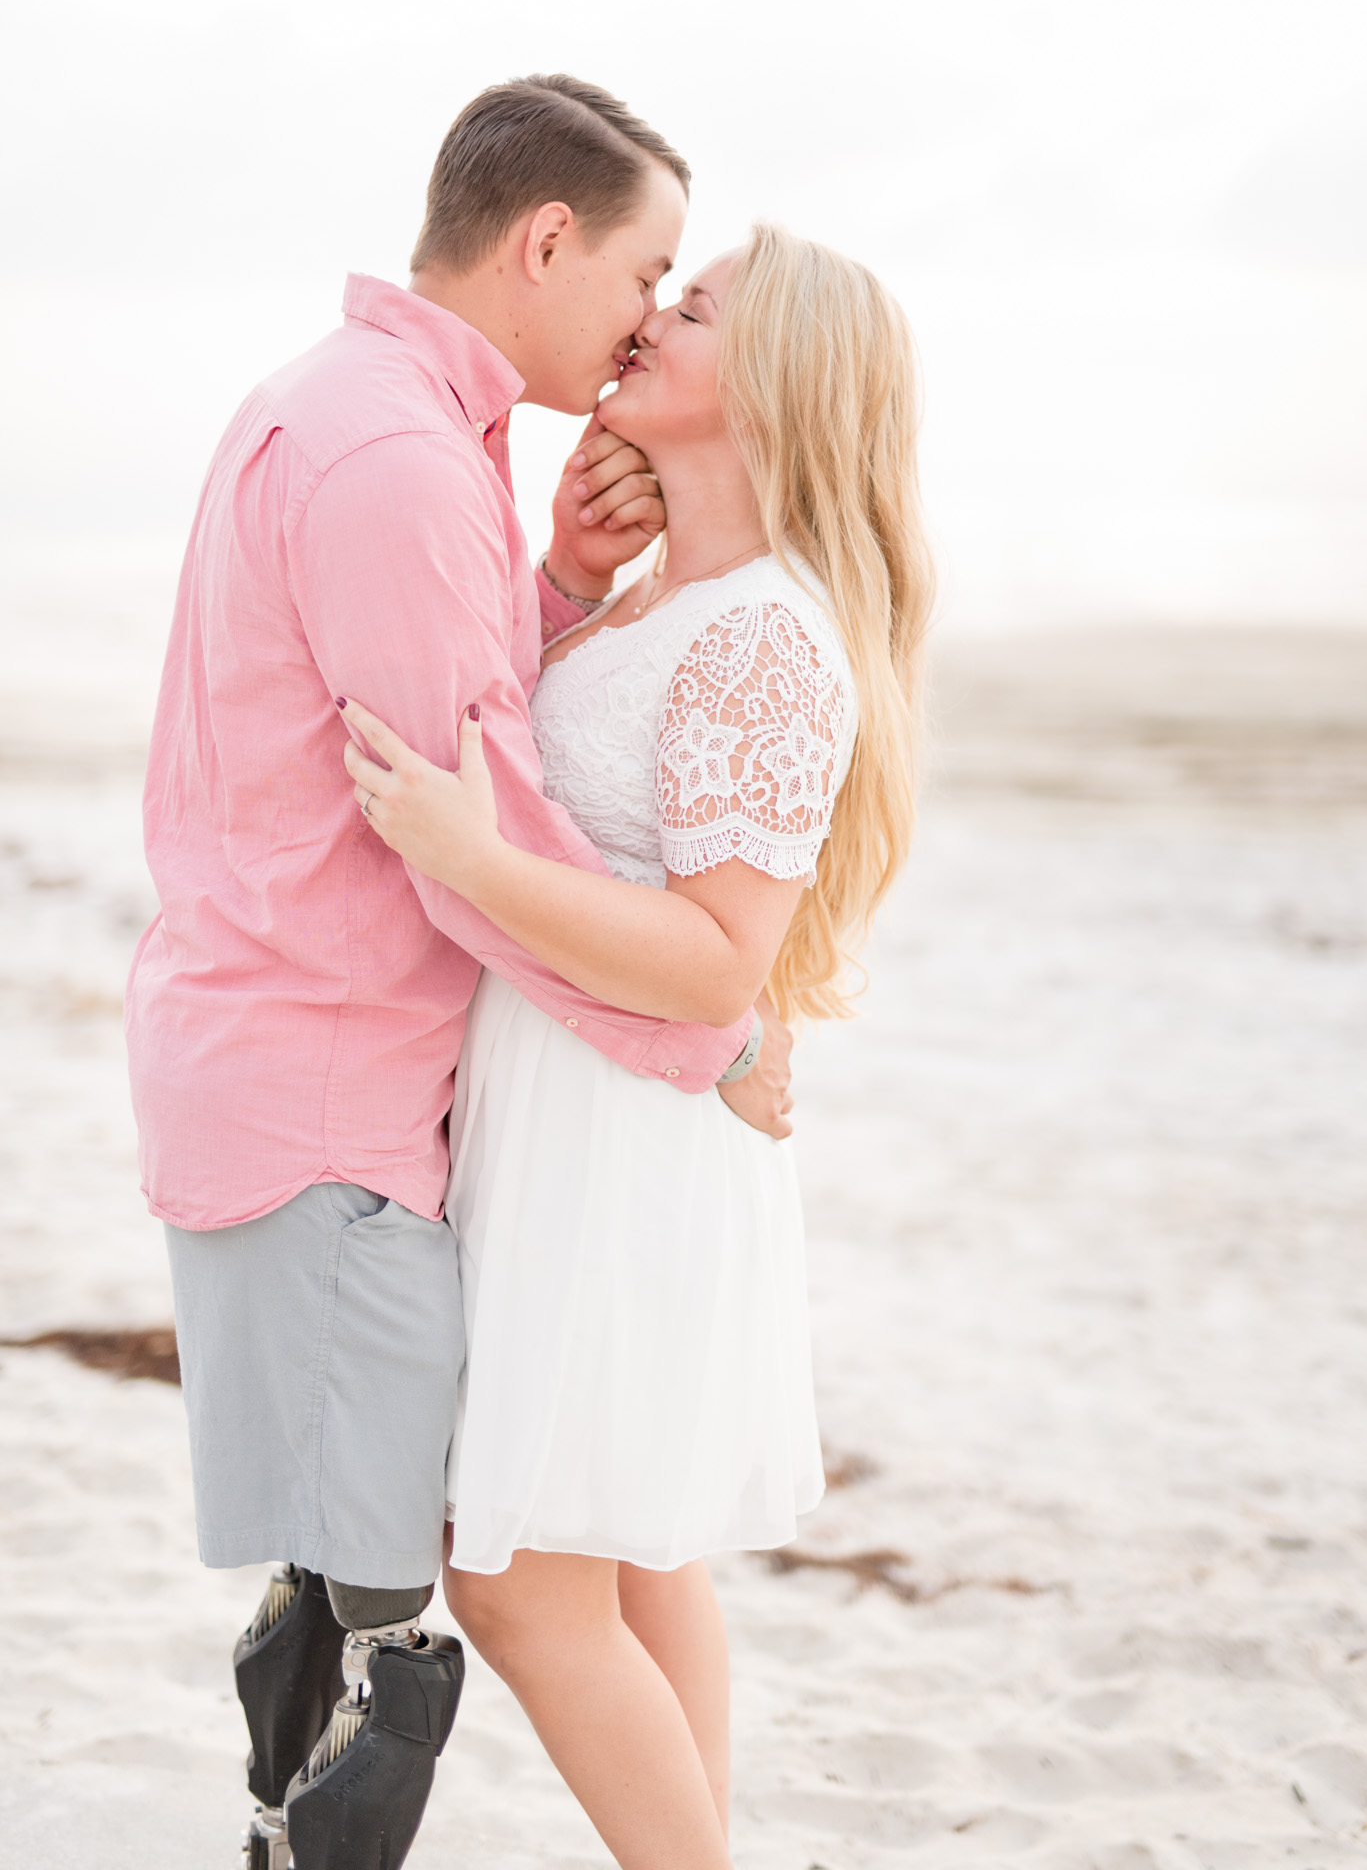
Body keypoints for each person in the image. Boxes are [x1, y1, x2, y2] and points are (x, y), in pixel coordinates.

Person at [125, 75, 794, 1870]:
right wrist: (712, 1030)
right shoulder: (400, 459)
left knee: (387, 1589)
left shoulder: (361, 415)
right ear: (547, 240)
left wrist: (561, 588)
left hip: (312, 1070)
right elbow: (477, 866)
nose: (651, 313)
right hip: (327, 1086)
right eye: (645, 269)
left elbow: (467, 752)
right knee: (381, 1620)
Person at [338, 221, 936, 1870]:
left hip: (625, 1155)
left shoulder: (764, 636)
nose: (653, 316)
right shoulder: (681, 602)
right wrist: (567, 578)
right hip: (583, 1129)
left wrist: (475, 862)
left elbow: (713, 962)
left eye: (697, 304)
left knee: (523, 1580)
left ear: (784, 380)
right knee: (643, 1557)